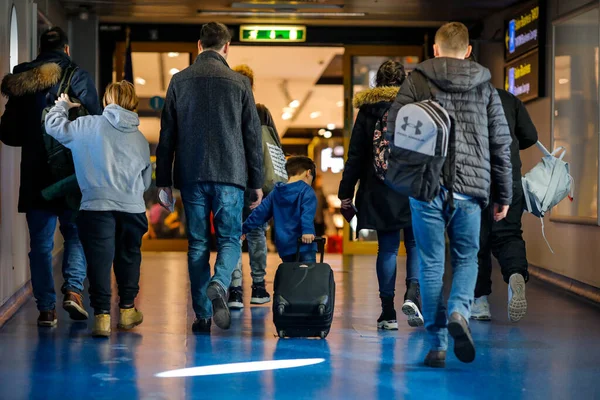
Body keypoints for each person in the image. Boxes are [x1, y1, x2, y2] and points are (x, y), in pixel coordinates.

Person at [388, 22, 512, 367]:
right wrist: (504, 193)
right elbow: (501, 143)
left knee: (430, 264)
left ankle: (438, 343)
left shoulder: (417, 80)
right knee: (467, 259)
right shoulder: (485, 86)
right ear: (468, 50)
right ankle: (460, 311)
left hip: (426, 187)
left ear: (436, 50)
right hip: (470, 191)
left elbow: (394, 129)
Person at [155, 22, 264, 334]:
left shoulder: (179, 81)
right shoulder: (240, 83)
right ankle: (220, 281)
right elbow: (252, 138)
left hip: (191, 175)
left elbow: (167, 136)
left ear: (198, 46)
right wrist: (256, 182)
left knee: (198, 243)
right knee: (230, 238)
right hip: (231, 175)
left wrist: (163, 181)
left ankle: (202, 316)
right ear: (226, 47)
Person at [0, 27, 102, 327]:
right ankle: (73, 290)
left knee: (41, 246)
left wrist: (35, 136)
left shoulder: (21, 80)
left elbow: (7, 133)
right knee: (75, 235)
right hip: (72, 173)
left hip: (35, 175)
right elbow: (95, 124)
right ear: (67, 50)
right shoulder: (79, 77)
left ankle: (46, 310)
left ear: (39, 49)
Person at [44, 81, 151, 337]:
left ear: (107, 101)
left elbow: (53, 125)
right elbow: (145, 181)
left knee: (99, 262)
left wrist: (62, 106)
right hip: (132, 207)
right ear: (132, 103)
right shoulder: (140, 139)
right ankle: (126, 310)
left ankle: (102, 318)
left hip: (96, 206)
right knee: (128, 258)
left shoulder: (87, 126)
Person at [338, 60, 423, 330]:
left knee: (387, 249)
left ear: (378, 83)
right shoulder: (416, 108)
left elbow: (355, 156)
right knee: (414, 245)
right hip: (412, 188)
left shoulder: (367, 111)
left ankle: (387, 313)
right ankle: (413, 294)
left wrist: (345, 194)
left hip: (380, 190)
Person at [472, 88, 538, 322]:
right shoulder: (509, 99)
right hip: (509, 178)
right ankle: (515, 275)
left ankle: (479, 302)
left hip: (475, 178)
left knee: (476, 240)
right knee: (509, 234)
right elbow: (530, 135)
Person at [227, 64, 282, 309]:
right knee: (257, 233)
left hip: (230, 182)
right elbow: (275, 150)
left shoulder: (225, 111)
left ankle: (235, 290)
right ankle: (258, 287)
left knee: (233, 235)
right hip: (256, 183)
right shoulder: (261, 112)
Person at [242, 156, 318, 263]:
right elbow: (307, 214)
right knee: (308, 276)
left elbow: (260, 213)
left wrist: (244, 228)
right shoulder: (307, 191)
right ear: (308, 172)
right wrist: (307, 231)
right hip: (305, 244)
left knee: (289, 275)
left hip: (285, 246)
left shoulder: (276, 192)